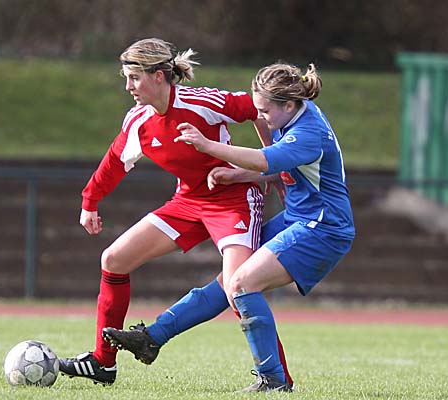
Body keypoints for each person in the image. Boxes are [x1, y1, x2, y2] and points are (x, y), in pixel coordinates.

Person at [105, 62, 355, 392]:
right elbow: (279, 166)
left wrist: (208, 146)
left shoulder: (308, 132)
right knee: (230, 283)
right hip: (300, 217)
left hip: (323, 227)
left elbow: (265, 160)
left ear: (288, 105)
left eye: (265, 110)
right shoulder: (294, 115)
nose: (260, 116)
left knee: (242, 283)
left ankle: (274, 380)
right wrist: (237, 175)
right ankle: (152, 337)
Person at [58, 38, 292, 386]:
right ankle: (103, 363)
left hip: (233, 201)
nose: (128, 86)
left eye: (134, 78)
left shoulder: (202, 102)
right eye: (126, 78)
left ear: (158, 76)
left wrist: (272, 161)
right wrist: (89, 201)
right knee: (113, 259)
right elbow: (114, 162)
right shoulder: (138, 121)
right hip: (187, 202)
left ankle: (277, 378)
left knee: (238, 287)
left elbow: (259, 109)